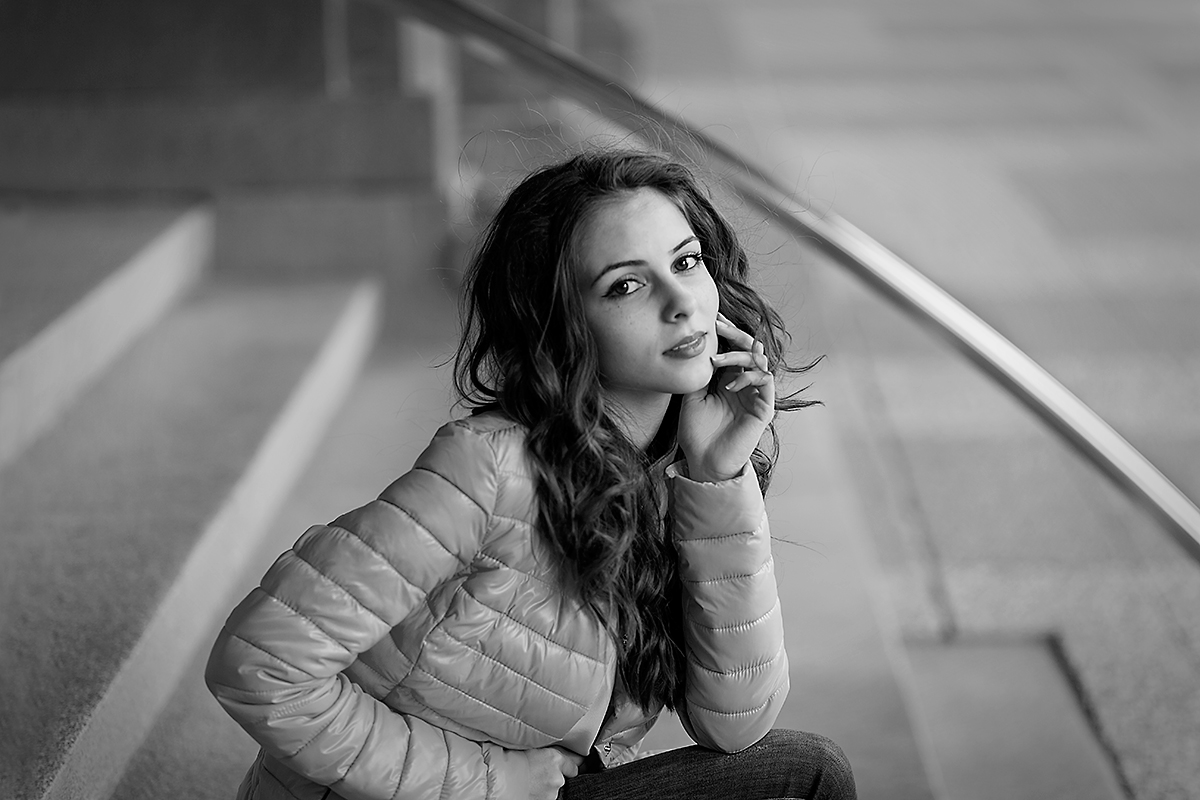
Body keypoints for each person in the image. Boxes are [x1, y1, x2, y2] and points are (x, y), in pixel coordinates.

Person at [205, 149, 856, 800]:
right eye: (626, 286)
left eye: (686, 263)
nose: (682, 302)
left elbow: (735, 722)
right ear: (563, 323)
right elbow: (259, 664)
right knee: (811, 773)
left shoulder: (674, 471)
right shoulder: (489, 469)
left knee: (798, 775)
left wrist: (717, 478)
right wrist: (493, 785)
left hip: (558, 785)